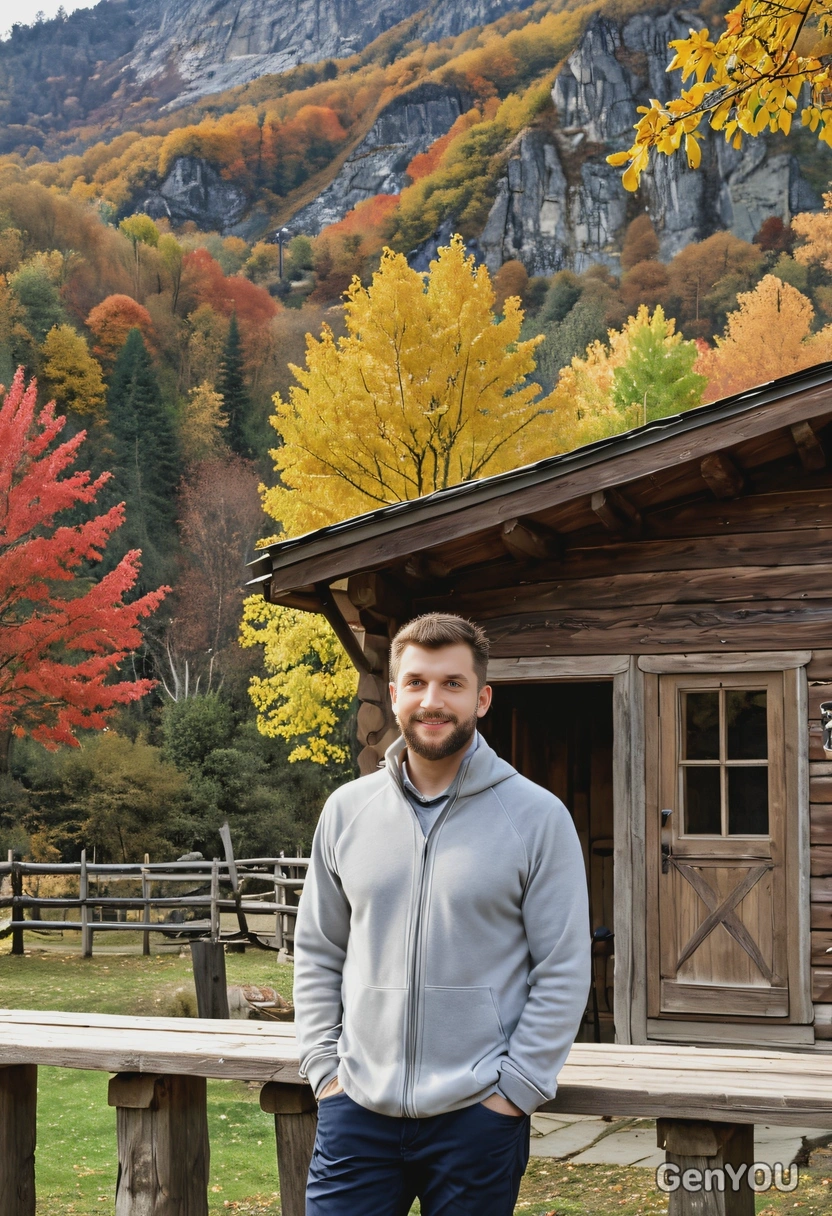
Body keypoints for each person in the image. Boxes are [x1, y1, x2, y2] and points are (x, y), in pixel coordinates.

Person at [293, 612, 591, 1215]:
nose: (433, 701)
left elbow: (562, 967)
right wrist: (326, 1071)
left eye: (452, 684)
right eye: (417, 683)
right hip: (357, 1112)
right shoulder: (346, 811)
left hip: (477, 1118)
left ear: (482, 699)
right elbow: (319, 950)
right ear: (395, 693)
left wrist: (516, 1090)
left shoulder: (537, 817)